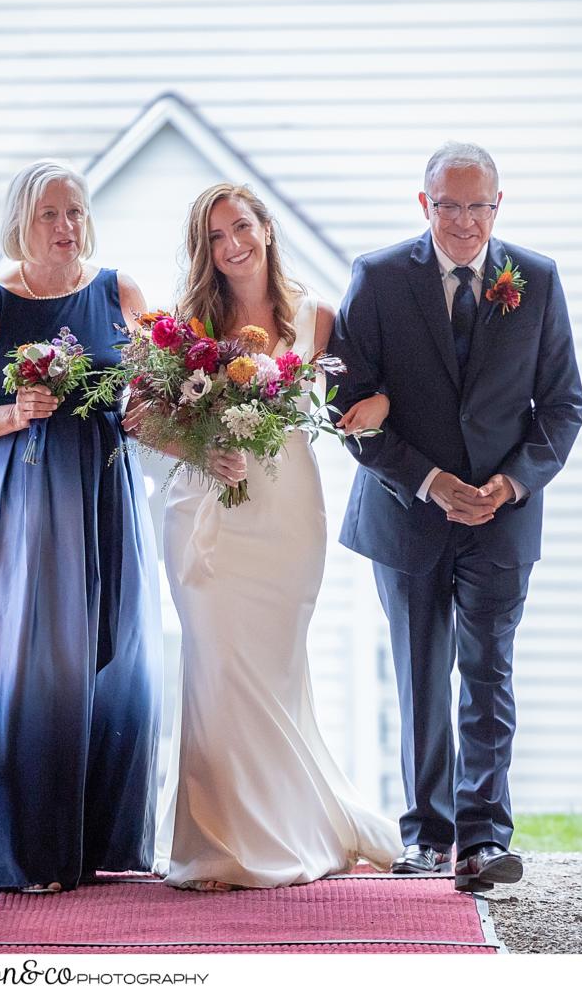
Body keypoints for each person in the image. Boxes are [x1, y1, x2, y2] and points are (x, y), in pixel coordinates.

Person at [126, 182, 401, 890]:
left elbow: (368, 396)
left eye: (241, 226)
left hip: (285, 523)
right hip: (206, 520)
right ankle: (217, 845)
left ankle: (291, 827)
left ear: (267, 229)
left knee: (275, 678)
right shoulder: (181, 326)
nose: (232, 245)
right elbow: (138, 418)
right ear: (205, 250)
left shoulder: (318, 319)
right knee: (216, 671)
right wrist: (200, 449)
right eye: (216, 237)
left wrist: (377, 405)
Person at [327, 142, 582, 892]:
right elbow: (349, 407)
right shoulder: (376, 279)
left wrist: (507, 485)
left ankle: (481, 840)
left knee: (486, 671)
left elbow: (563, 404)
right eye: (448, 205)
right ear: (423, 204)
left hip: (500, 519)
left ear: (497, 206)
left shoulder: (533, 279)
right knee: (420, 675)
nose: (464, 221)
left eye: (478, 205)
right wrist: (431, 481)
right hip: (405, 513)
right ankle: (423, 836)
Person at [0, 160, 163, 892]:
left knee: (112, 653)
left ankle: (102, 843)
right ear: (20, 223)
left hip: (102, 490)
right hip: (24, 503)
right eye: (48, 215)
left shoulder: (117, 291)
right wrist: (11, 413)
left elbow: (160, 385)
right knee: (31, 663)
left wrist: (144, 410)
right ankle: (30, 851)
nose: (65, 228)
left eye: (74, 212)